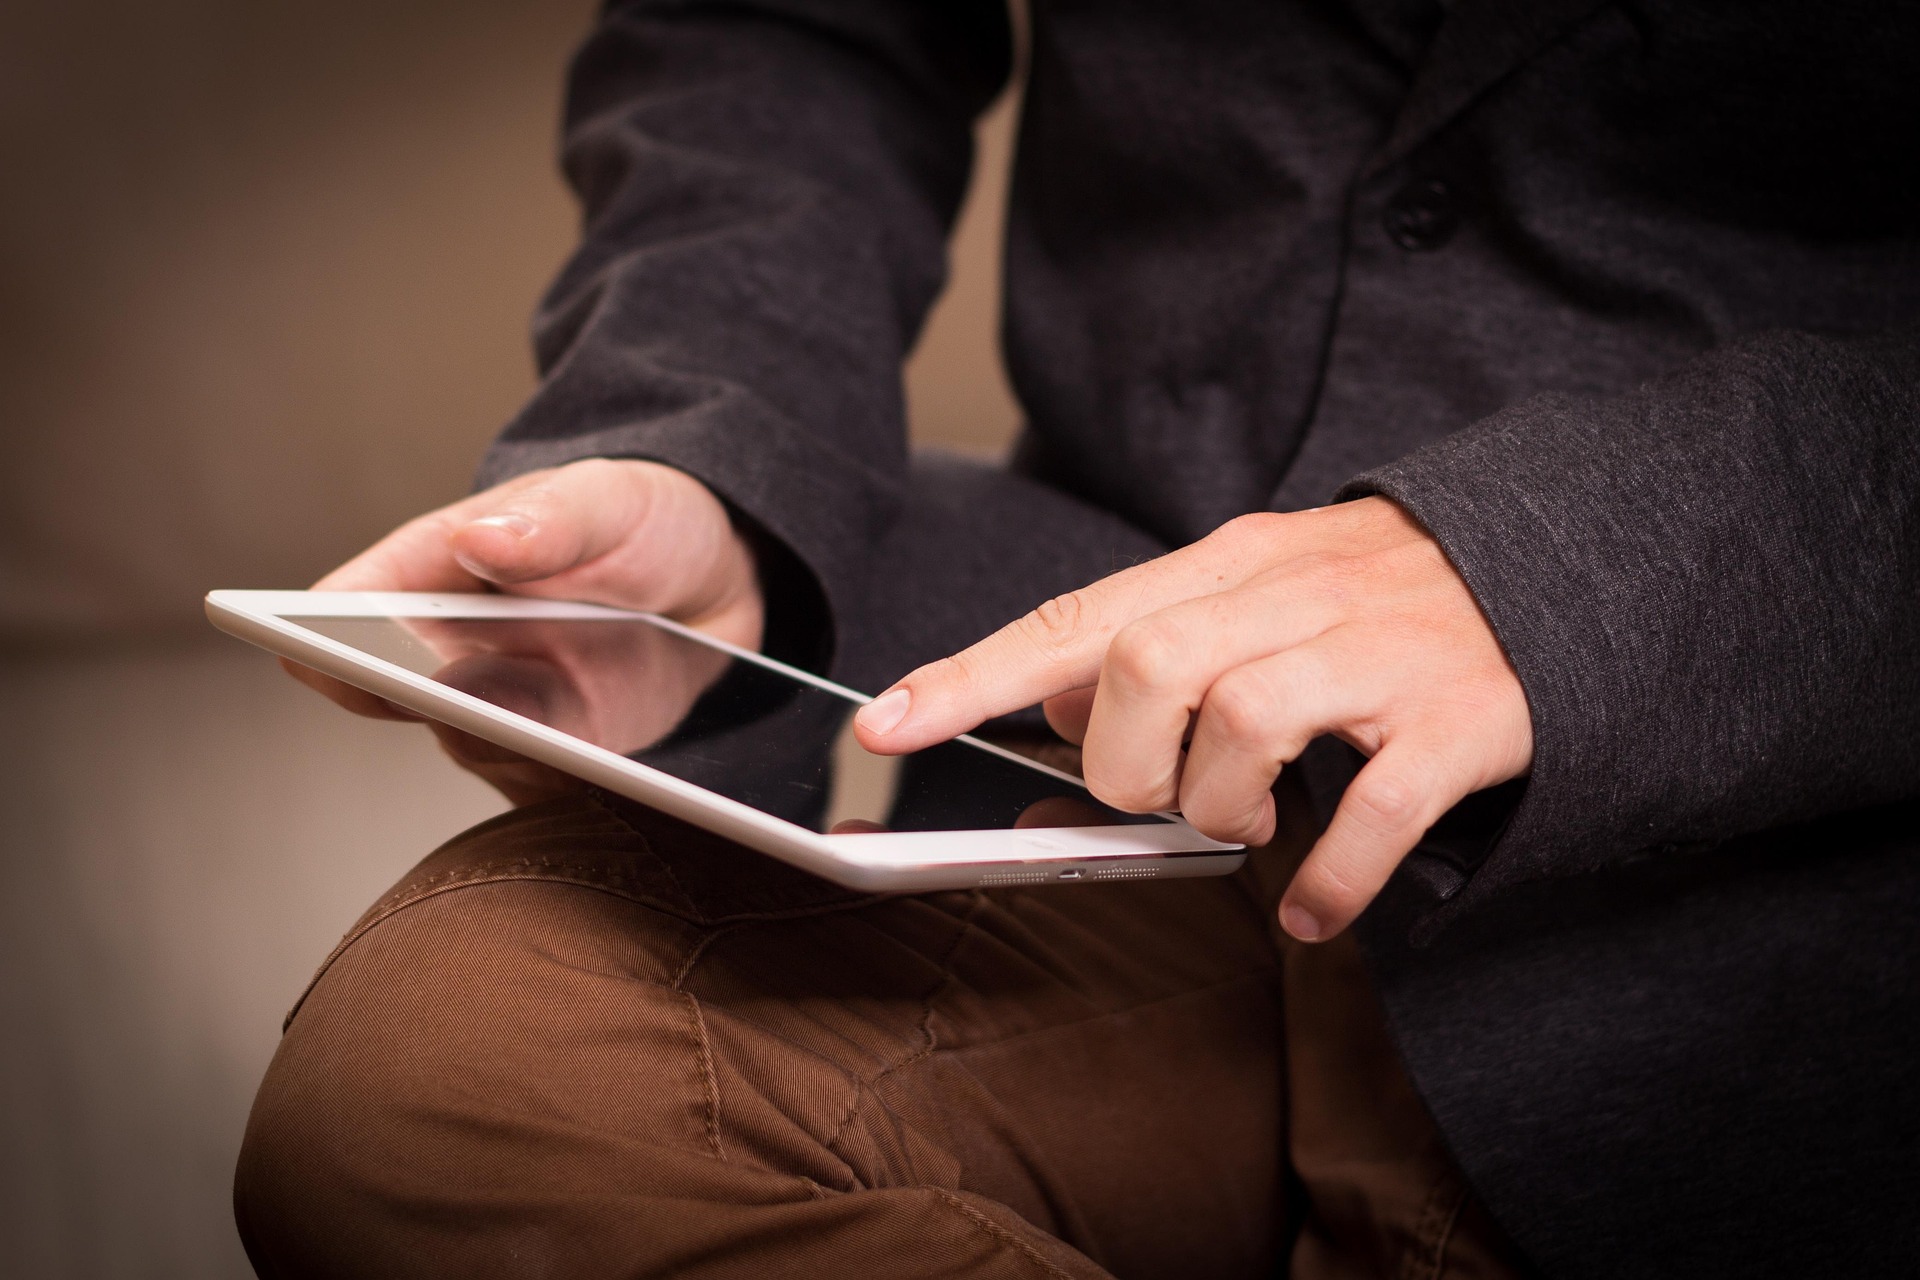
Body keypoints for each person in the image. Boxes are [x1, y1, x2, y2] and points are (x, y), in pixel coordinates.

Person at [234, 1, 1920, 1276]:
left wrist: (1570, 575)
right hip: (1108, 787)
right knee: (452, 1082)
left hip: (1786, 912)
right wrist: (715, 449)